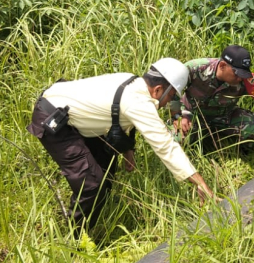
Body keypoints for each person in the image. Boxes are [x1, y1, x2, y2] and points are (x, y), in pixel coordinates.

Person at [27, 58, 217, 232]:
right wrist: (200, 183)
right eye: (171, 96)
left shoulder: (132, 82)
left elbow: (119, 115)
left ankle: (88, 219)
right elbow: (166, 146)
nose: (169, 103)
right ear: (158, 89)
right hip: (54, 118)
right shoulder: (138, 101)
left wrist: (128, 150)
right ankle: (74, 238)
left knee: (105, 170)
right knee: (92, 184)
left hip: (74, 113)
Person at [169, 45, 254, 152]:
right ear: (222, 66)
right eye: (236, 74)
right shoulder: (195, 68)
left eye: (243, 74)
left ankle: (233, 149)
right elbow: (172, 90)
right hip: (193, 116)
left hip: (224, 116)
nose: (240, 78)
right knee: (174, 140)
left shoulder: (246, 80)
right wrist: (178, 117)